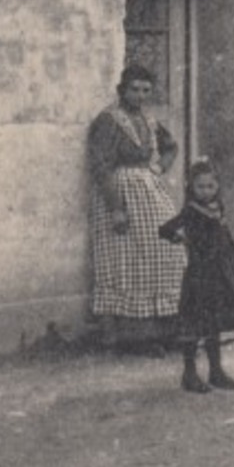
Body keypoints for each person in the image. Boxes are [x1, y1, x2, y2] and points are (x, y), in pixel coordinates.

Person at [87, 63, 184, 350]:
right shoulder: (108, 120)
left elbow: (171, 146)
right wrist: (116, 207)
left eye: (145, 90)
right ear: (122, 89)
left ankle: (164, 329)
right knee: (129, 260)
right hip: (121, 194)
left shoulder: (149, 120)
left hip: (150, 191)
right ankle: (133, 336)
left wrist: (158, 168)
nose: (140, 95)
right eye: (134, 89)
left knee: (168, 250)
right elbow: (101, 166)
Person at [158, 159, 234, 393]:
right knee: (194, 324)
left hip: (219, 274)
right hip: (199, 276)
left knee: (214, 323)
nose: (206, 191)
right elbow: (166, 229)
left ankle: (216, 372)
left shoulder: (218, 207)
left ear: (217, 186)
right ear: (191, 186)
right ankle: (189, 374)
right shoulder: (190, 210)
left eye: (210, 186)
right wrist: (182, 239)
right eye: (200, 187)